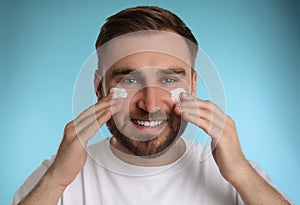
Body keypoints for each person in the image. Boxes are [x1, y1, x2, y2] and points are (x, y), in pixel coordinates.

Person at [13, 6, 292, 205]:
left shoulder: (241, 177)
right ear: (100, 87)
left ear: (193, 85)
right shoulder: (55, 177)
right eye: (130, 79)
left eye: (169, 79)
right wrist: (56, 182)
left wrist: (242, 175)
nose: (150, 104)